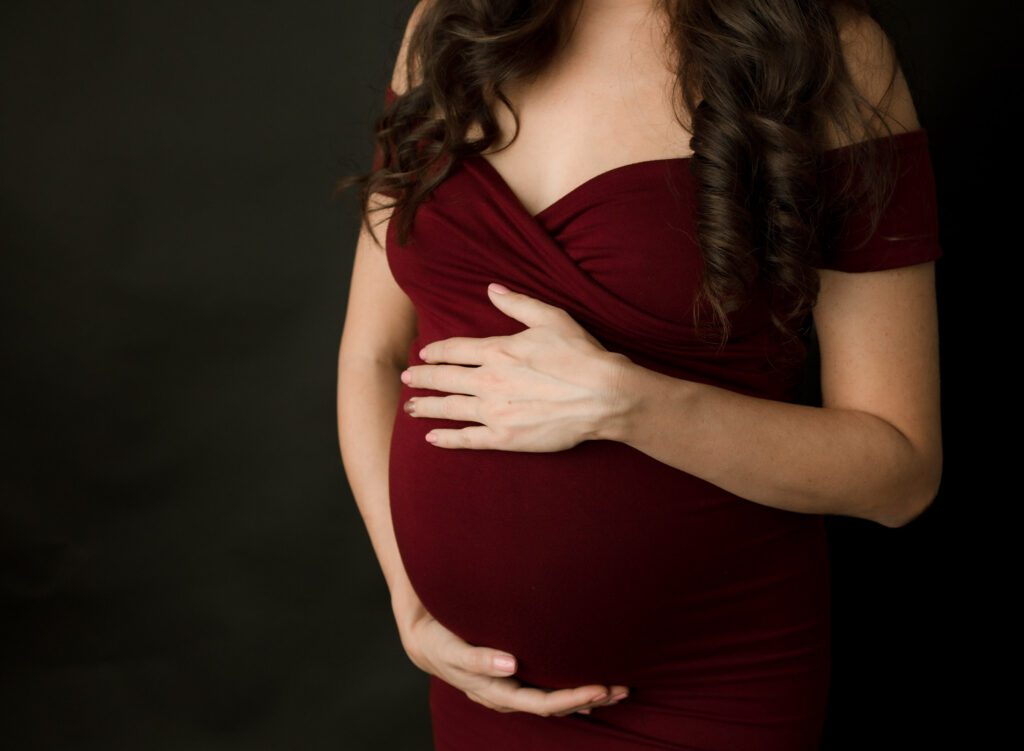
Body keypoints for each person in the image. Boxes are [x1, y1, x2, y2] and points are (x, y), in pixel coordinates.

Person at [336, 0, 943, 748]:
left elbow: (902, 469)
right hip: (481, 688)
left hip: (713, 689)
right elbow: (372, 356)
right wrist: (412, 601)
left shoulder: (829, 54)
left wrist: (630, 404)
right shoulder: (454, 21)